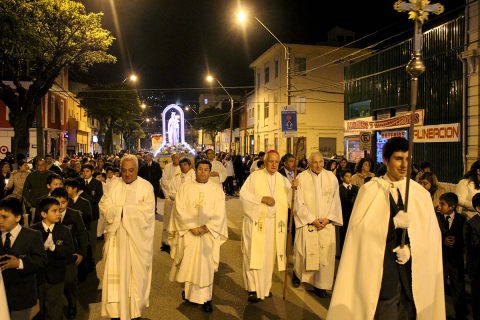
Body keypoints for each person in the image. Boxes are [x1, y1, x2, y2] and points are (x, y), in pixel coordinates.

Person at [327, 137, 445, 320]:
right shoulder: (370, 190)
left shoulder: (419, 194)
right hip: (383, 276)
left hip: (412, 278)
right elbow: (358, 233)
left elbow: (432, 236)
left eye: (407, 159)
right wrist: (392, 224)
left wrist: (412, 249)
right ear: (386, 160)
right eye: (398, 159)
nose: (404, 164)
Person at [99, 154, 155, 320]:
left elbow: (147, 212)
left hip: (136, 241)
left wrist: (122, 210)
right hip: (116, 238)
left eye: (131, 171)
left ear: (137, 169)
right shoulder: (114, 185)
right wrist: (120, 211)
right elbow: (104, 204)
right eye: (124, 171)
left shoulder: (146, 187)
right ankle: (116, 312)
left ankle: (133, 311)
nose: (127, 174)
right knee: (115, 277)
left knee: (135, 279)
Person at [168, 160, 228, 313]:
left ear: (210, 172)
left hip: (208, 235)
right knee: (189, 264)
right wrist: (191, 227)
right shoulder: (185, 188)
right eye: (200, 169)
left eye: (206, 169)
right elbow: (179, 209)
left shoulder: (216, 190)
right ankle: (188, 294)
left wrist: (207, 227)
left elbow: (220, 212)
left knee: (206, 267)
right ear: (195, 170)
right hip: (189, 233)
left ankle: (207, 298)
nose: (202, 172)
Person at [240, 150, 295, 302]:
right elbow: (243, 195)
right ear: (265, 162)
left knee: (268, 258)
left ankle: (264, 288)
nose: (274, 164)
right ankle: (252, 288)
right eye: (271, 161)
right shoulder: (255, 176)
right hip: (257, 223)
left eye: (276, 162)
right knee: (253, 255)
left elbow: (292, 202)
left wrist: (295, 188)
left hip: (275, 226)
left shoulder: (283, 180)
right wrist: (261, 199)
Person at [292, 152, 343, 297]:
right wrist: (311, 219)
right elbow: (298, 201)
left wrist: (328, 219)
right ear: (309, 163)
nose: (318, 165)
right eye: (315, 162)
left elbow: (335, 200)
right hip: (309, 222)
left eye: (321, 162)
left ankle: (321, 285)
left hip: (326, 224)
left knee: (324, 255)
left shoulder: (331, 177)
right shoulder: (302, 178)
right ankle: (298, 274)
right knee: (303, 252)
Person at [0, 197, 47, 320]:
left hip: (21, 297)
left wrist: (20, 263)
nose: (0, 220)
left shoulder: (32, 235)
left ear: (17, 217)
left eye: (5, 217)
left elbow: (41, 261)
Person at [31, 197, 74, 320]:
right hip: (39, 276)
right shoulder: (34, 230)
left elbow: (70, 250)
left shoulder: (64, 230)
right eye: (54, 211)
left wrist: (55, 248)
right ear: (44, 214)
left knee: (54, 307)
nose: (58, 214)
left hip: (57, 275)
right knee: (42, 306)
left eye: (59, 211)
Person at [51, 187, 88, 319]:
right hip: (53, 256)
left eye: (63, 202)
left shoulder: (74, 214)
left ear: (68, 202)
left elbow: (82, 234)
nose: (60, 206)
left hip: (71, 256)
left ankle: (72, 305)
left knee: (70, 283)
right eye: (57, 202)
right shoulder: (47, 214)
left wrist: (81, 253)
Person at [436, 192, 467, 319]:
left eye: (442, 204)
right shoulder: (436, 217)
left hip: (455, 260)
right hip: (440, 259)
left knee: (458, 287)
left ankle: (461, 314)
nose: (439, 206)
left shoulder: (462, 219)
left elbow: (465, 237)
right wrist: (442, 240)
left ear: (452, 206)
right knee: (438, 287)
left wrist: (457, 241)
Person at [82, 164, 103, 270]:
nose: (85, 173)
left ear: (92, 172)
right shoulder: (80, 182)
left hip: (93, 213)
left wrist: (86, 201)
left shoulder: (97, 183)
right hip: (81, 214)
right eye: (84, 171)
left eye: (87, 171)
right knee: (83, 236)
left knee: (92, 237)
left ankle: (92, 258)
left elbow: (98, 197)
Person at [160, 153, 181, 252]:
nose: (176, 159)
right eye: (174, 158)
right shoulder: (167, 167)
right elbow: (164, 180)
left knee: (177, 221)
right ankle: (165, 242)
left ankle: (175, 242)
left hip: (179, 199)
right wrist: (168, 193)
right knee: (167, 220)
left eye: (177, 157)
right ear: (172, 158)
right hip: (169, 197)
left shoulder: (182, 168)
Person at [22, 158, 52, 224]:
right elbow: (25, 189)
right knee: (35, 223)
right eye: (39, 165)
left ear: (46, 165)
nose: (40, 166)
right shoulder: (31, 175)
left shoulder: (51, 175)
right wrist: (31, 201)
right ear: (36, 165)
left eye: (42, 164)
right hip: (34, 203)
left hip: (48, 203)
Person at [465, 193, 480, 320]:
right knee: (477, 301)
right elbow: (472, 245)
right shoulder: (471, 224)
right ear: (478, 208)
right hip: (477, 269)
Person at [338, 170, 358, 251]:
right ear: (342, 178)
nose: (349, 178)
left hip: (354, 215)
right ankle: (342, 252)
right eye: (347, 176)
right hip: (344, 214)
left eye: (350, 176)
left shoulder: (355, 188)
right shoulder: (340, 189)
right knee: (344, 234)